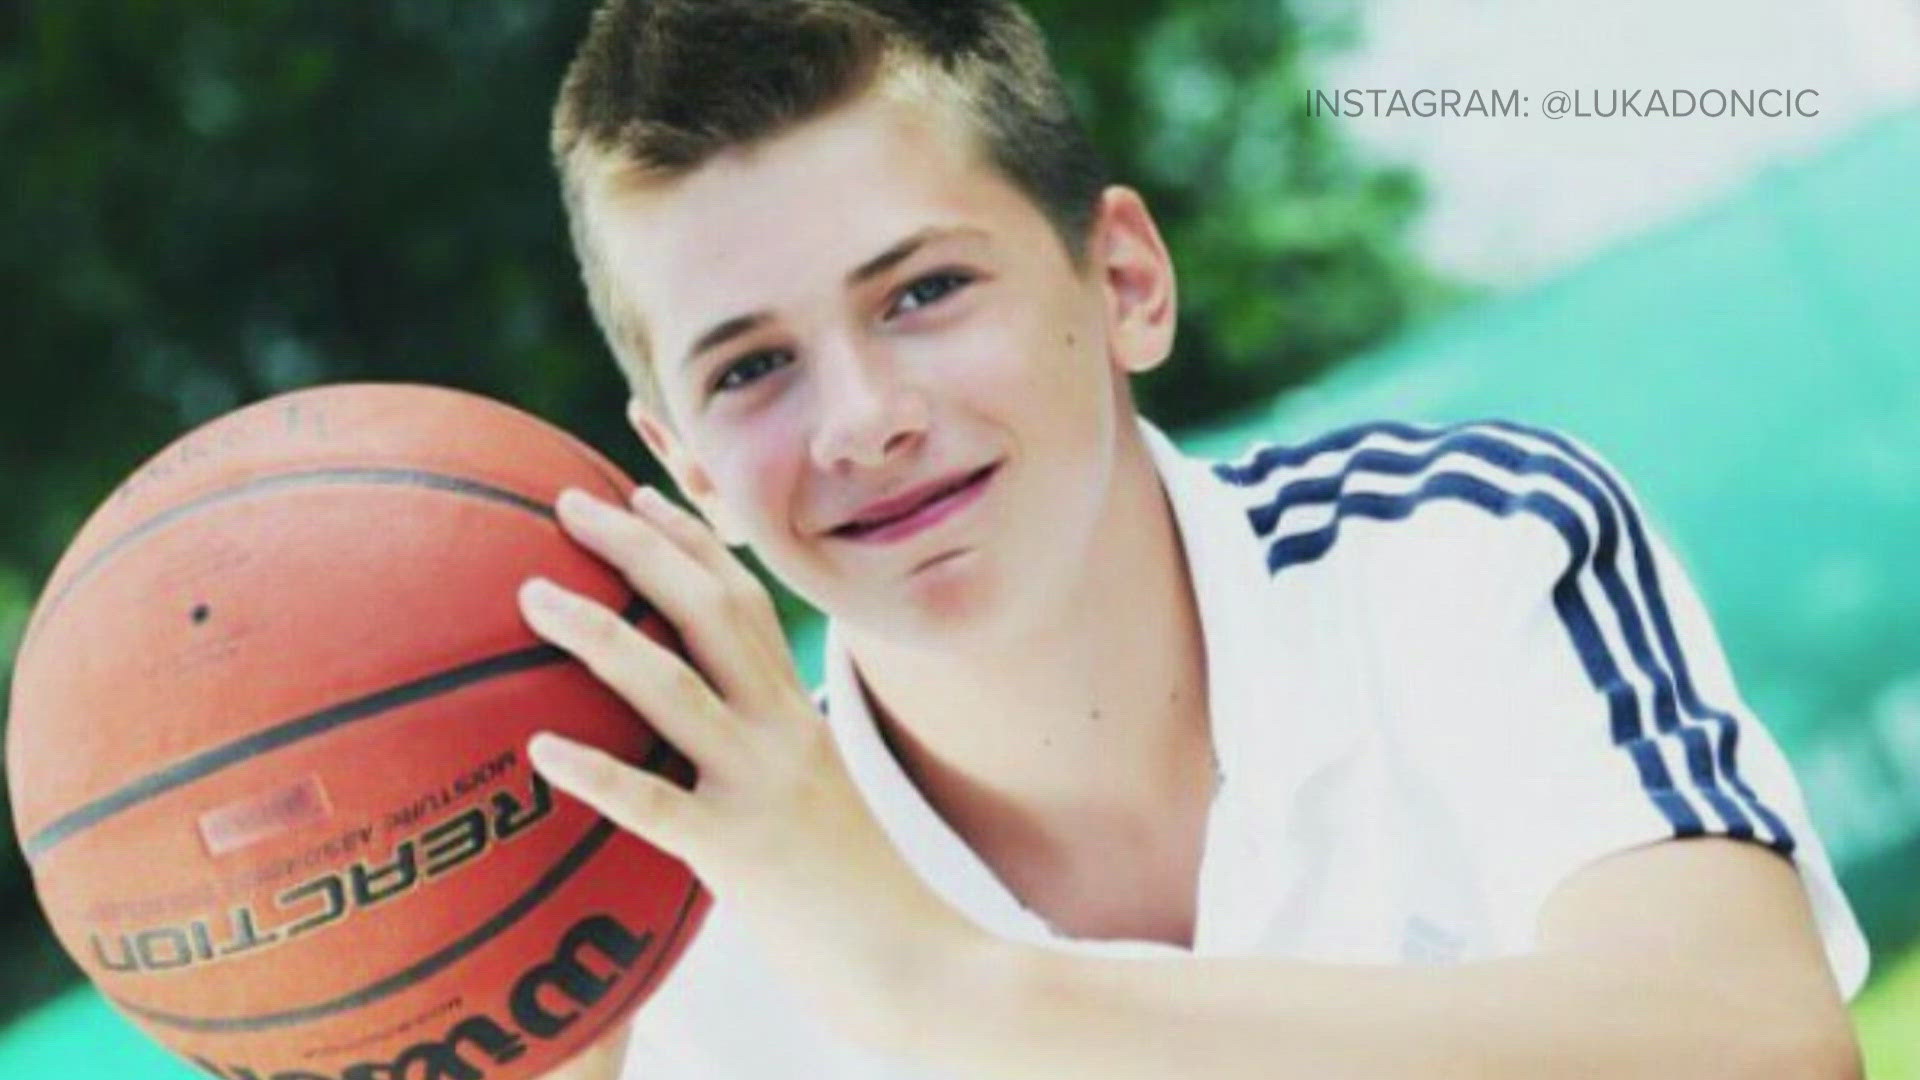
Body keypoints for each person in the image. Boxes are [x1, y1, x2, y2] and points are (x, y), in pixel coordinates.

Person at [515, 1, 1870, 1076]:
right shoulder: (666, 946)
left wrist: (956, 995)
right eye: (751, 369)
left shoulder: (1451, 551)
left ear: (1124, 283)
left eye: (923, 290)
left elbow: (1760, 1048)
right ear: (685, 462)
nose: (863, 420)